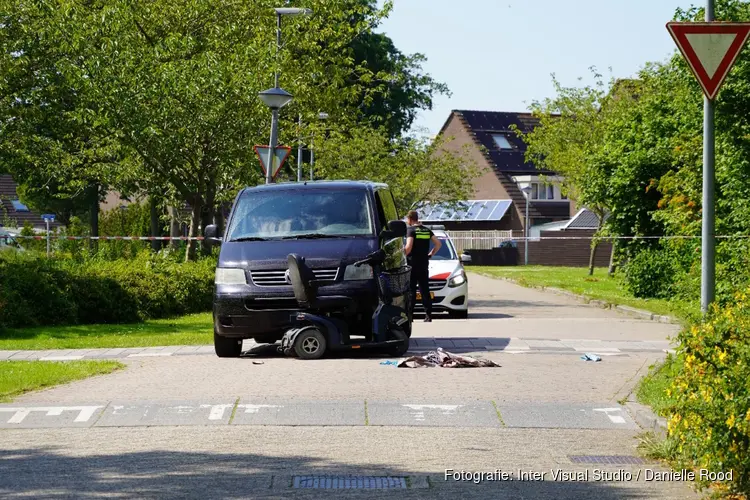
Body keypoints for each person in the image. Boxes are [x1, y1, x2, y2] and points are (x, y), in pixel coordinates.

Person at [404, 210, 441, 322]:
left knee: (411, 290)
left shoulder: (411, 230)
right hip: (424, 264)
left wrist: (403, 254)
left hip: (412, 264)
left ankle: (410, 316)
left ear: (410, 219)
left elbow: (409, 247)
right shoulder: (426, 230)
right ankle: (428, 315)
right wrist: (431, 254)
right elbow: (438, 244)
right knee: (425, 289)